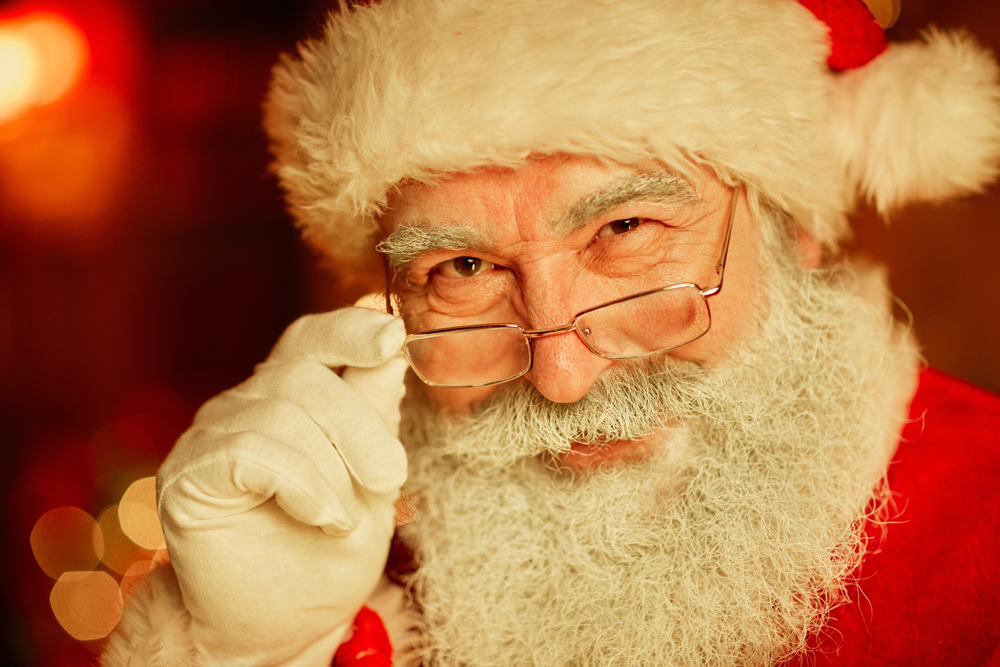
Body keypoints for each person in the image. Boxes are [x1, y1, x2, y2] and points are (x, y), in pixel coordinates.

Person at [102, 0, 1000, 665]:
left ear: (793, 222)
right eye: (461, 269)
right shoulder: (347, 573)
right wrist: (251, 650)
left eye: (625, 232)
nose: (562, 375)